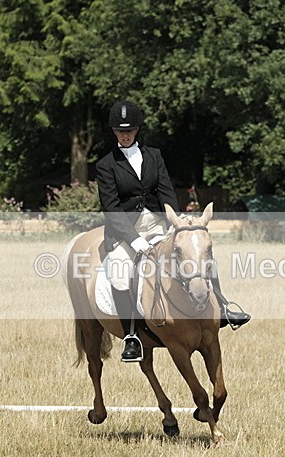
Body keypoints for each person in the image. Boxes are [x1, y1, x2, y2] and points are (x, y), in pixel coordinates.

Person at [96, 100, 250, 362]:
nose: (125, 134)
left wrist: (177, 224)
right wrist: (134, 242)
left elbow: (166, 192)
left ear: (138, 129)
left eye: (130, 130)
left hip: (158, 224)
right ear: (113, 131)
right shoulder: (105, 164)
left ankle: (223, 306)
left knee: (197, 253)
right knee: (119, 271)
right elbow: (112, 208)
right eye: (120, 130)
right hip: (125, 231)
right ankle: (132, 335)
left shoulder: (154, 155)